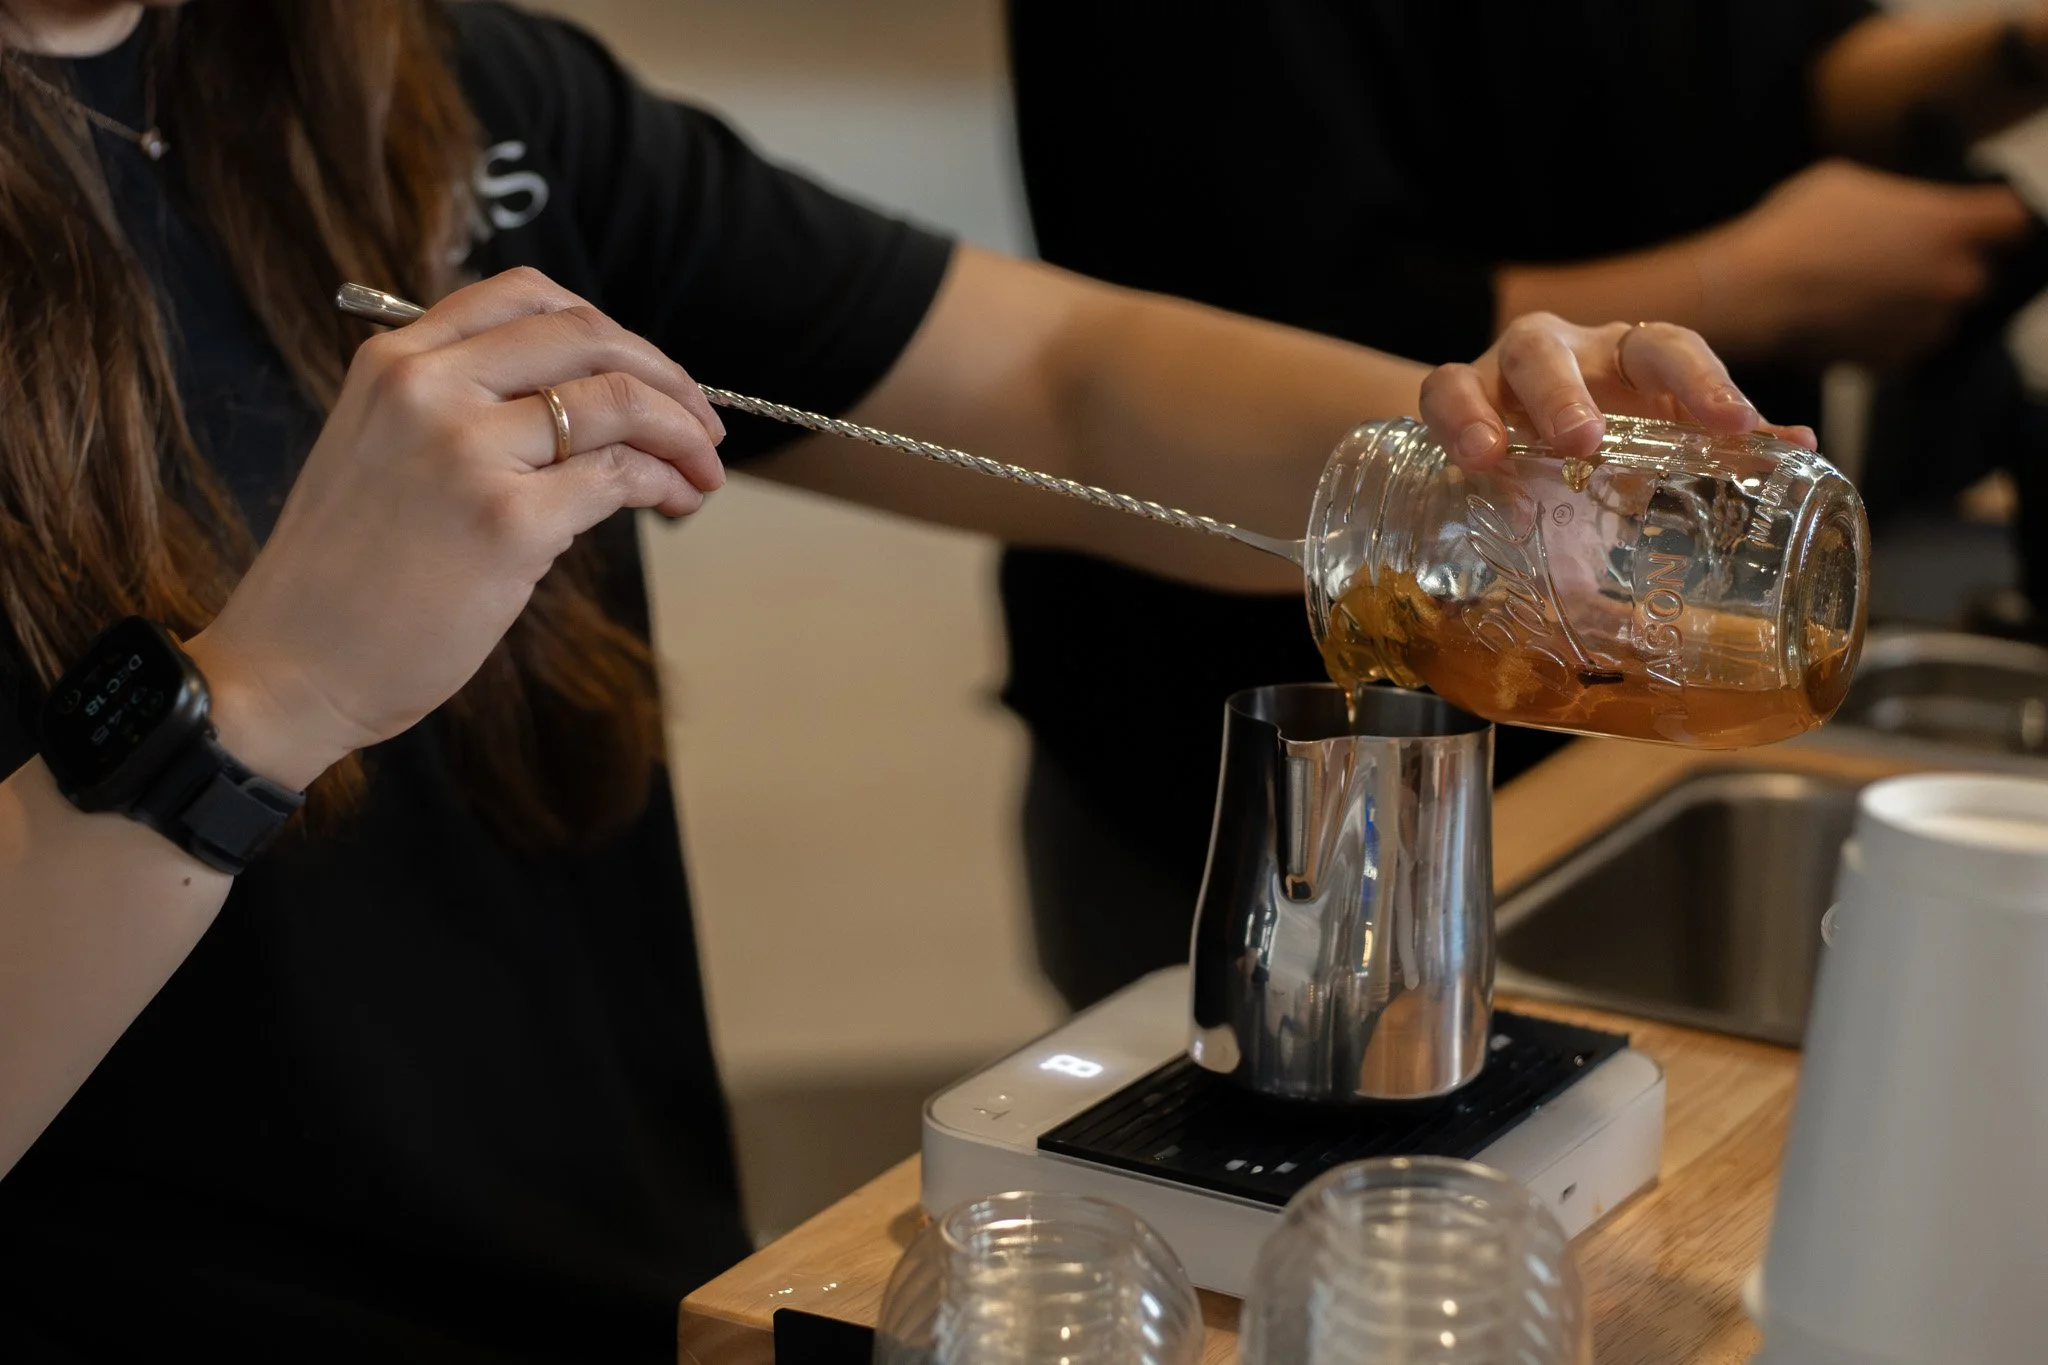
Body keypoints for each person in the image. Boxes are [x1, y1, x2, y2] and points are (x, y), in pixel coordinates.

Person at [0, 1, 1794, 1358]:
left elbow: (1058, 378)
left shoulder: (432, 87)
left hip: (636, 1284)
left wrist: (1467, 448)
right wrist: (262, 698)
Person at [1002, 0, 2048, 1010]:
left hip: (1596, 687)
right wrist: (1746, 286)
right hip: (1240, 733)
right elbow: (1198, 305)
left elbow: (1770, 51)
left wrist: (2018, 47)